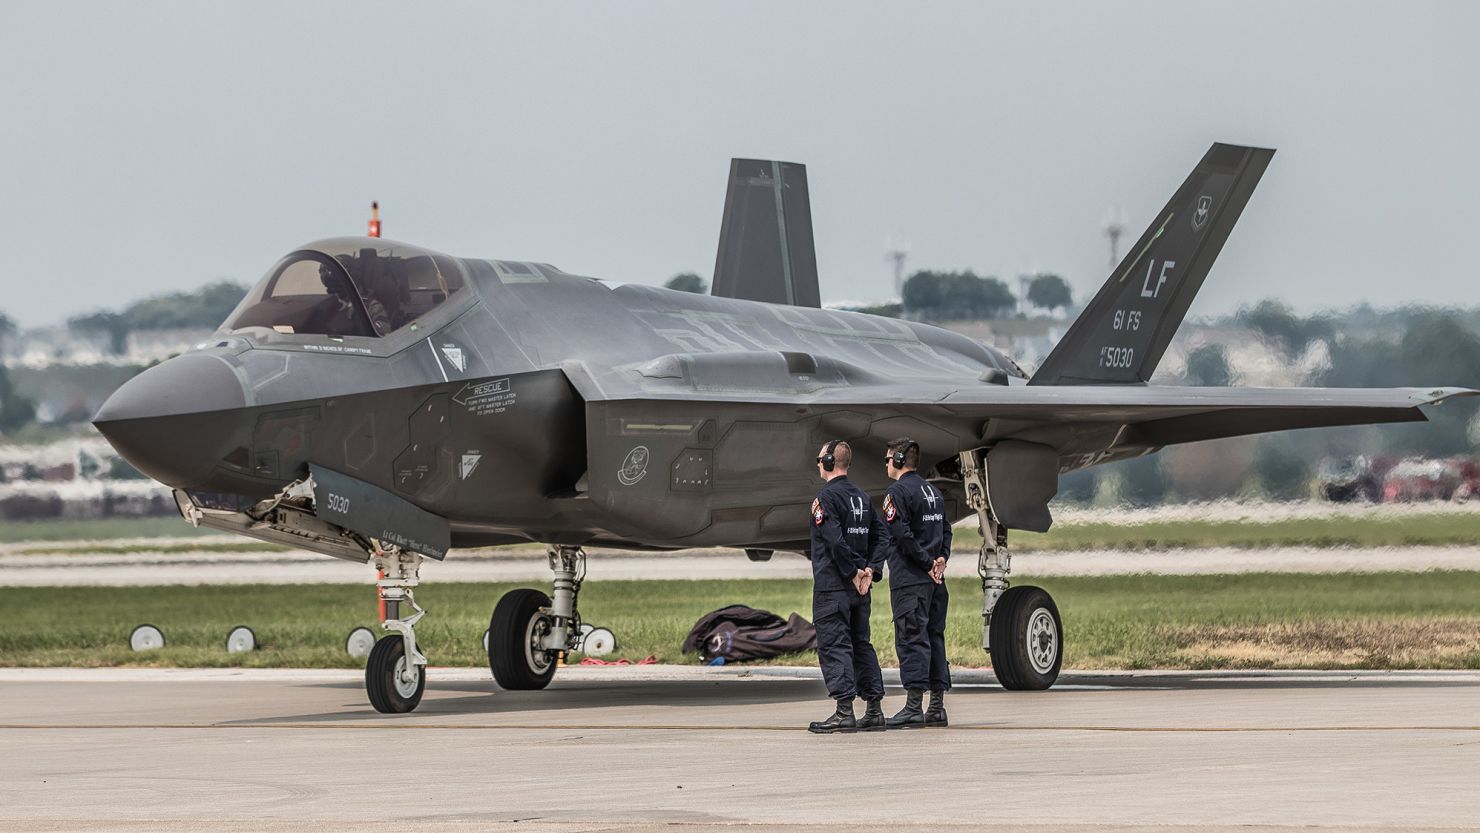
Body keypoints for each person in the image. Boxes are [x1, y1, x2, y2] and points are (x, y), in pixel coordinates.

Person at [806, 439, 889, 733]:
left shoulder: (825, 500)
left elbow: (834, 541)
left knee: (834, 645)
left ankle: (843, 711)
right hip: (860, 590)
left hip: (834, 587)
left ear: (829, 462)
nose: (818, 464)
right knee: (861, 644)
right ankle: (874, 709)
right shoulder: (863, 498)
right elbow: (882, 537)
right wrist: (871, 569)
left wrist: (854, 570)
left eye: (819, 459)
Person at [880, 438, 953, 728]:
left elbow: (901, 535)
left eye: (887, 459)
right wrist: (940, 560)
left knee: (912, 640)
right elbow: (945, 530)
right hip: (936, 580)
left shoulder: (896, 493)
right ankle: (936, 706)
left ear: (898, 461)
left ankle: (913, 706)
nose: (885, 464)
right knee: (934, 639)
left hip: (911, 581)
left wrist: (925, 564)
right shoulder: (932, 491)